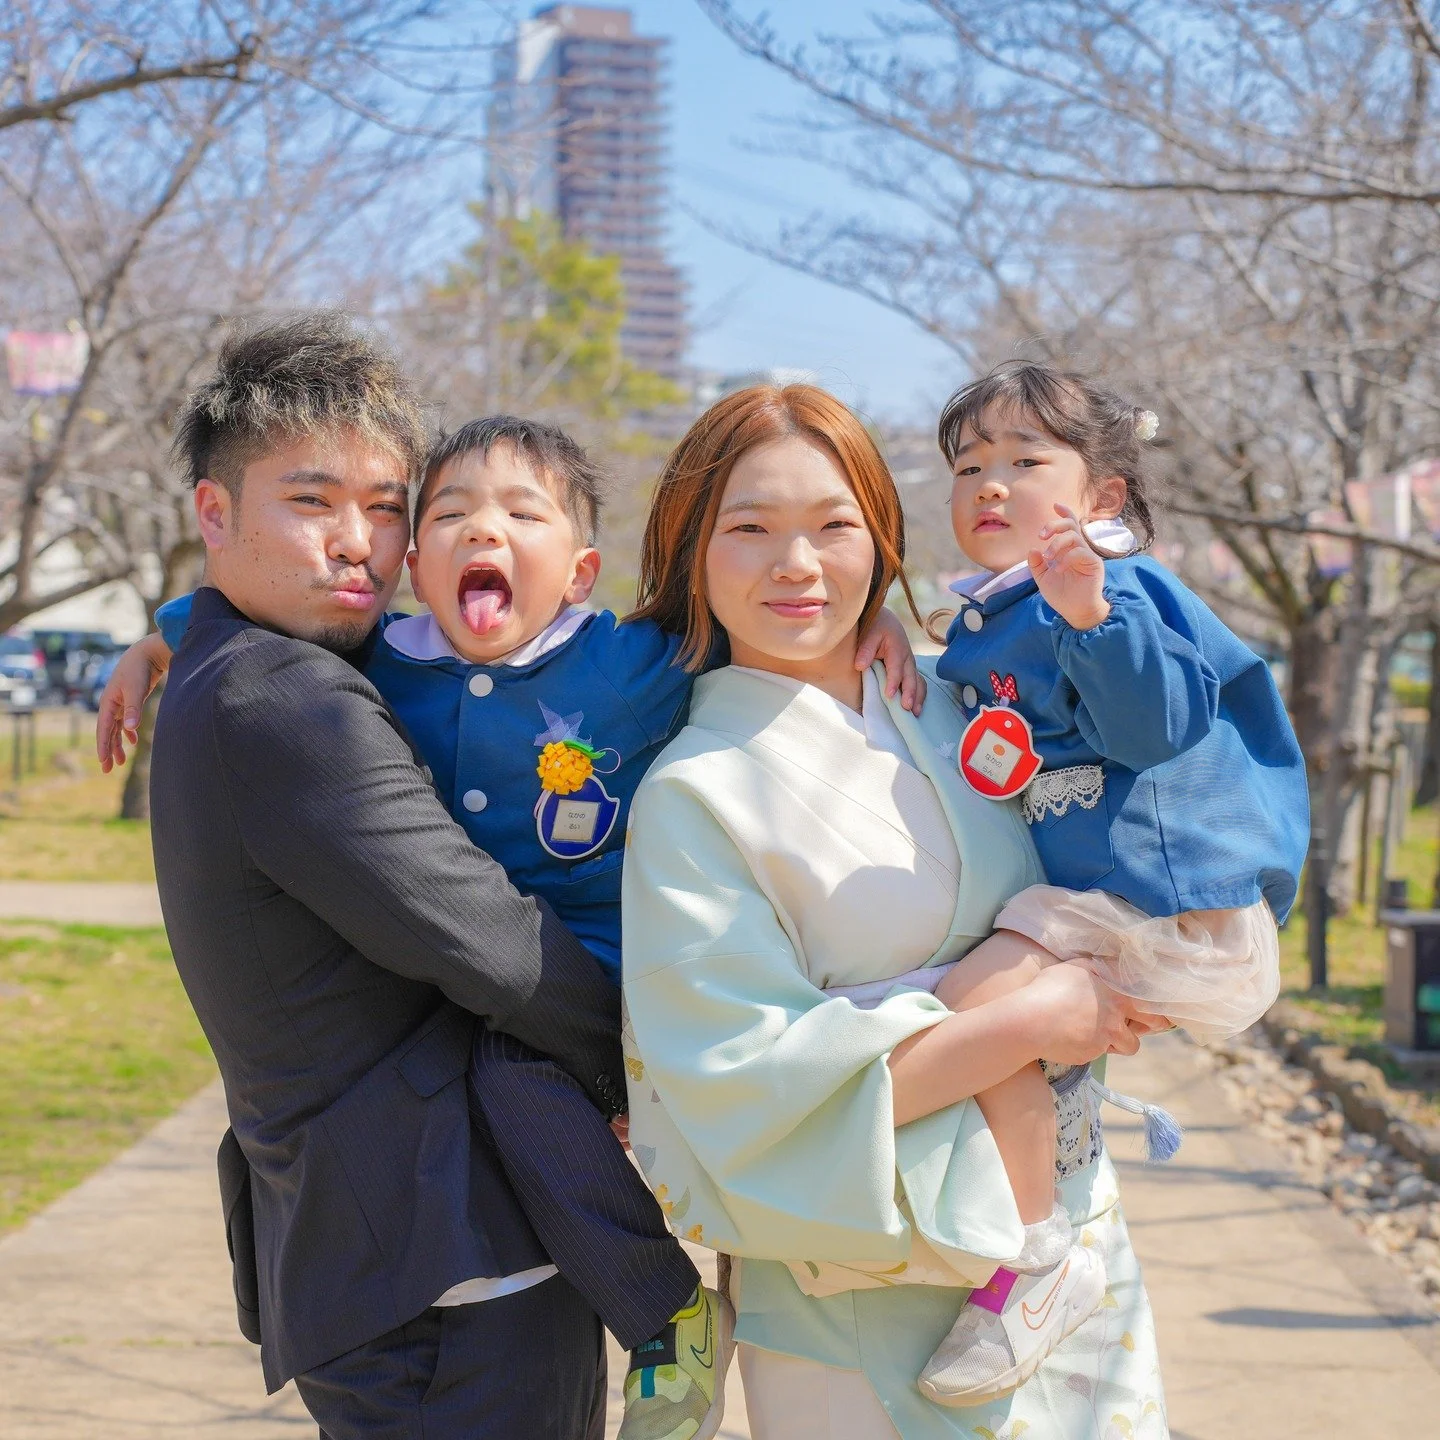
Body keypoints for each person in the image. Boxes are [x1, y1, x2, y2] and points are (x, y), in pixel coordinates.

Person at [103, 400, 922, 1439]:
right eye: (448, 514)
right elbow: (233, 608)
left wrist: (873, 619)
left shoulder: (631, 662)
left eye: (521, 516)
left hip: (614, 968)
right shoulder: (378, 665)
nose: (483, 532)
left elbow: (770, 618)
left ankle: (678, 1310)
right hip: (503, 1005)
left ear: (579, 571)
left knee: (516, 1085)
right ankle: (670, 1314)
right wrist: (155, 641)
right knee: (511, 1090)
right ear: (414, 563)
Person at [111, 313, 628, 1440]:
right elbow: (491, 942)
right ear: (215, 513)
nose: (358, 542)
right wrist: (651, 1066)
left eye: (387, 507)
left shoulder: (231, 661)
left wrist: (155, 637)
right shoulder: (281, 698)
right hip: (443, 1266)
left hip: (385, 1248)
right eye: (311, 502)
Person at [620, 382, 1171, 1439]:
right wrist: (1032, 1022)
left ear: (880, 540)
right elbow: (744, 1095)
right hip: (869, 1308)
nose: (798, 565)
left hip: (1072, 1258)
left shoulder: (955, 700)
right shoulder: (697, 792)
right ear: (691, 551)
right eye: (751, 530)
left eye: (835, 527)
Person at [912, 361, 1308, 1404]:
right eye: (968, 466)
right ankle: (1039, 1231)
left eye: (1024, 461)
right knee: (969, 1015)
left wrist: (1089, 613)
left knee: (965, 1011)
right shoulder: (989, 616)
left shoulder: (1112, 587)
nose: (990, 484)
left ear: (1103, 499)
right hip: (1101, 897)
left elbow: (1157, 726)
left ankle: (1037, 1253)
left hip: (1173, 897)